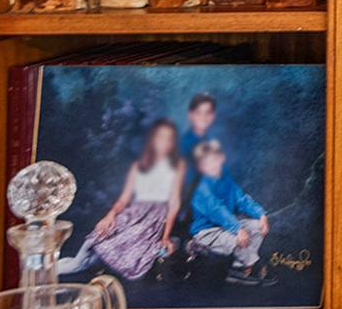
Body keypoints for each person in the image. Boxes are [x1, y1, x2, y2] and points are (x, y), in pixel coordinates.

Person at [54, 120, 183, 280]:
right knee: (80, 261)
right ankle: (55, 266)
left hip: (151, 223)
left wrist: (165, 236)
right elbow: (124, 199)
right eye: (161, 138)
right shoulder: (139, 166)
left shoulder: (177, 166)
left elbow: (174, 202)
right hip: (132, 215)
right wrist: (110, 215)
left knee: (154, 252)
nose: (164, 143)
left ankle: (92, 263)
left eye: (169, 139)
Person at [186, 139, 273, 287]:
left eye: (215, 160)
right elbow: (216, 210)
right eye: (206, 163)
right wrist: (238, 229)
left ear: (221, 158)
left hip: (227, 225)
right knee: (239, 239)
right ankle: (253, 265)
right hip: (207, 231)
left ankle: (238, 266)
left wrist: (261, 214)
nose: (212, 165)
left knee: (258, 227)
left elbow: (242, 199)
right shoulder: (201, 188)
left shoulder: (226, 181)